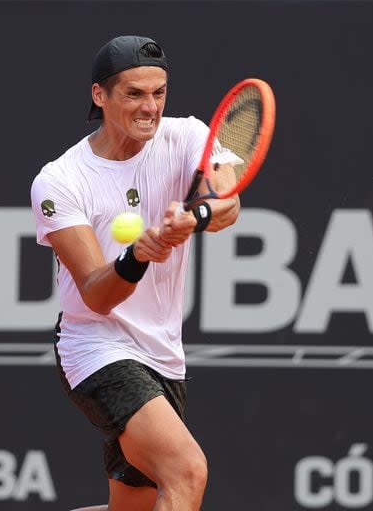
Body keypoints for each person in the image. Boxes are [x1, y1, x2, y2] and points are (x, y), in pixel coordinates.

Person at [30, 35, 240, 511]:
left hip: (163, 353)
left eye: (159, 93)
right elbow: (95, 295)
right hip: (96, 350)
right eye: (134, 94)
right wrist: (137, 256)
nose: (151, 107)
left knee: (134, 509)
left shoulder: (186, 135)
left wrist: (196, 217)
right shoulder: (60, 181)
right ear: (99, 95)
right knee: (186, 471)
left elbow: (226, 200)